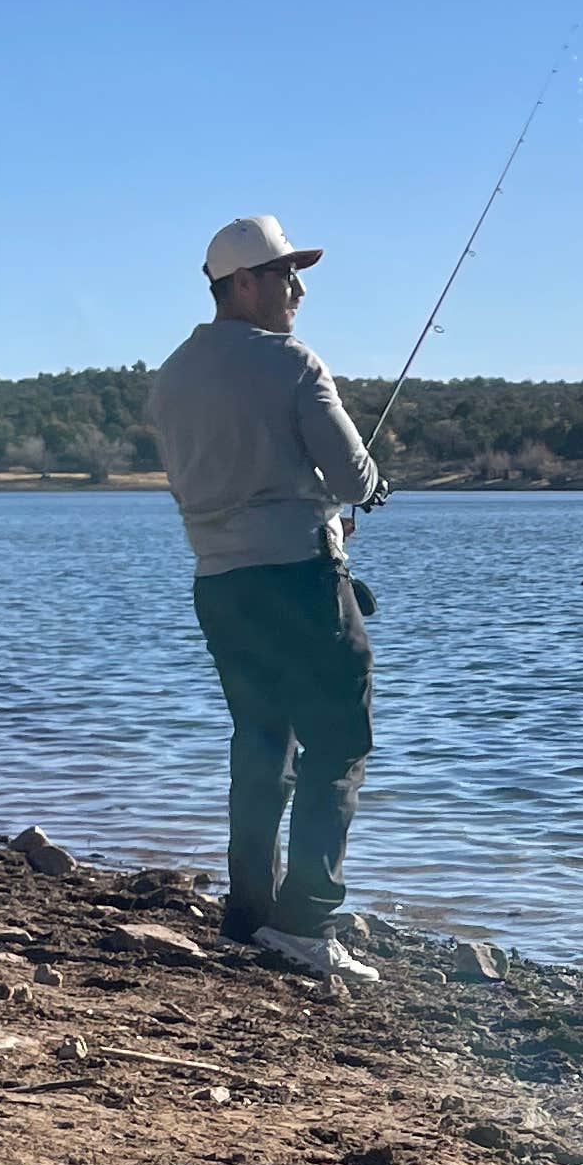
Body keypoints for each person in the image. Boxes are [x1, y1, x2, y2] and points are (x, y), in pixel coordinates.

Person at [145, 215, 387, 980]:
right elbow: (352, 478)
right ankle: (307, 924)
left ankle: (249, 915)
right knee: (340, 743)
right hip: (302, 582)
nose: (298, 287)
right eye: (285, 273)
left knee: (260, 745)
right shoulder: (291, 362)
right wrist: (368, 490)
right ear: (242, 282)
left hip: (220, 586)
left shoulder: (170, 376)